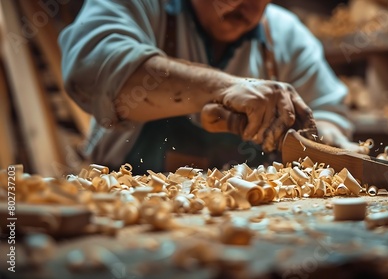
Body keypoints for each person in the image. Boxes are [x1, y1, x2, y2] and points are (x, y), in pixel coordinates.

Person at [59, 0, 364, 174]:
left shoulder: (286, 34)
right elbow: (88, 69)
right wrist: (222, 87)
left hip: (252, 221)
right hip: (132, 216)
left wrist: (325, 138)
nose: (239, 3)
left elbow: (328, 112)